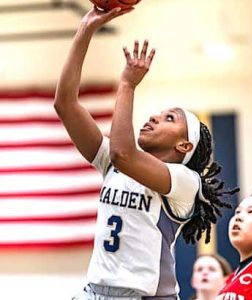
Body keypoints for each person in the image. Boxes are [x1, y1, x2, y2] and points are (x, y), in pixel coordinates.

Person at [54, 6, 238, 300]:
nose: (154, 117)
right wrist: (86, 27)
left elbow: (123, 154)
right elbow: (65, 103)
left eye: (169, 119)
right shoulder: (113, 162)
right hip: (94, 292)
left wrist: (126, 84)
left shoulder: (184, 182)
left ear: (184, 146)